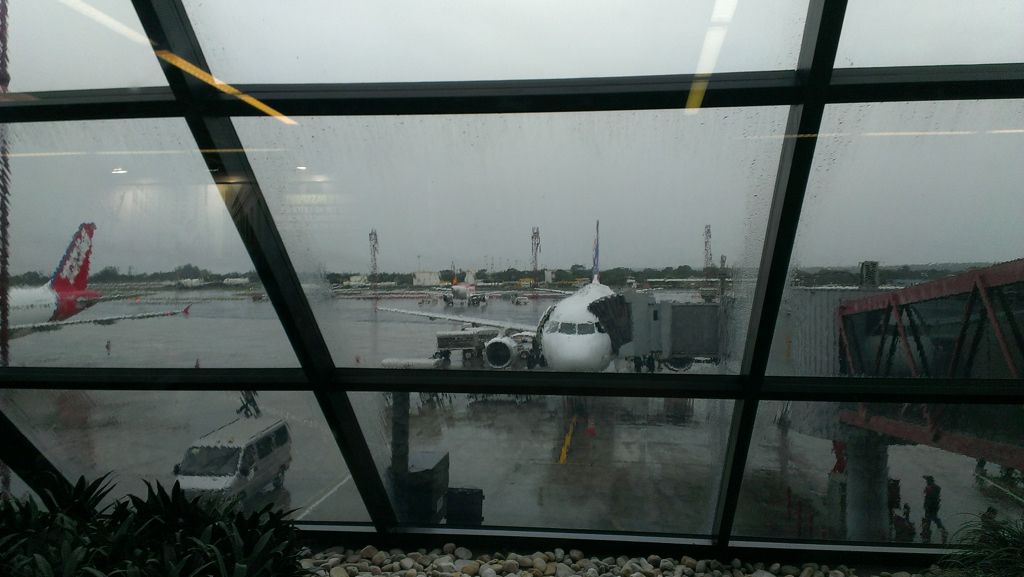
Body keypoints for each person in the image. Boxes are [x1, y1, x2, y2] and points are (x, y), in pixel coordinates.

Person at [921, 475, 947, 543]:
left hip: (931, 506)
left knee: (931, 518)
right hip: (932, 506)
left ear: (930, 481)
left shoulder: (933, 488)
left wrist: (928, 505)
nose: (926, 482)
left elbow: (931, 498)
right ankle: (928, 534)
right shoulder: (932, 487)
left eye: (927, 481)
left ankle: (941, 531)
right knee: (931, 519)